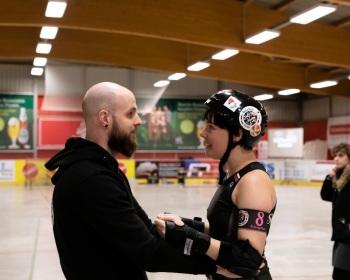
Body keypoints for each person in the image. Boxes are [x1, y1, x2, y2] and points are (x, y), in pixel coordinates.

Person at [45, 82, 240, 280]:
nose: (138, 121)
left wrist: (191, 232)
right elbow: (148, 252)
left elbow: (147, 230)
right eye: (130, 114)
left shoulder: (104, 169)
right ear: (105, 118)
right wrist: (222, 264)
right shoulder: (92, 179)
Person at [155, 89, 277, 280]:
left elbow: (248, 259)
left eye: (211, 127)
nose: (203, 133)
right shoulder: (236, 176)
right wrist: (186, 226)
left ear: (237, 134)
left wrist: (190, 237)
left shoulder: (253, 181)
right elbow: (227, 232)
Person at [320, 143, 350, 280]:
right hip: (340, 233)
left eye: (341, 155)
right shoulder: (340, 178)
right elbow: (326, 195)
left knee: (340, 274)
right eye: (335, 156)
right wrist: (329, 177)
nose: (336, 159)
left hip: (347, 235)